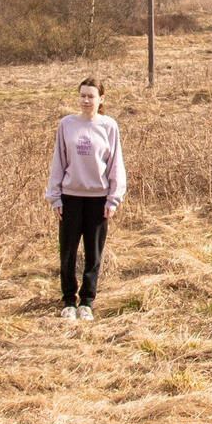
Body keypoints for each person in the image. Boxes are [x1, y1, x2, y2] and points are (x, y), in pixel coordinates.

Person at [47, 77, 126, 322]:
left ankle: (87, 302)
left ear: (101, 99)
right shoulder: (66, 125)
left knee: (93, 253)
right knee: (68, 252)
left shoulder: (109, 126)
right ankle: (69, 301)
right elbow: (58, 162)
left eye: (91, 96)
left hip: (98, 199)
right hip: (70, 198)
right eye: (82, 95)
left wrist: (113, 199)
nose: (85, 100)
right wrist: (55, 197)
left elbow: (115, 165)